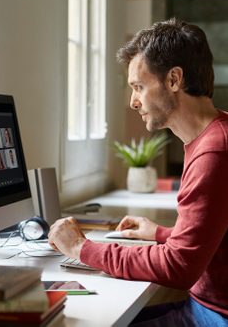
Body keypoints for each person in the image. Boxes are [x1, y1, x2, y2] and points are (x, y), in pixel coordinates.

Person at [48, 18, 228, 326]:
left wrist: (81, 247)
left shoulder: (214, 151)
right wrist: (160, 234)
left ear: (174, 80)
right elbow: (212, 237)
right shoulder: (213, 135)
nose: (133, 102)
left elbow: (179, 266)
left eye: (138, 87)